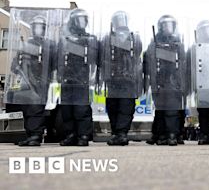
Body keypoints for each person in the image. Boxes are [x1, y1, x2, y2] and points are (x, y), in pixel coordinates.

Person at [4, 13, 55, 146]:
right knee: (26, 109)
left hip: (42, 82)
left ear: (44, 29)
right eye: (36, 27)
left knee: (36, 108)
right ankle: (30, 134)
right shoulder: (26, 44)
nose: (38, 29)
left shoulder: (50, 45)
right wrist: (17, 68)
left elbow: (55, 64)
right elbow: (15, 63)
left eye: (40, 27)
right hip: (26, 82)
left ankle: (36, 136)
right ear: (32, 28)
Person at [99, 11, 142, 146]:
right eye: (118, 19)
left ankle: (122, 134)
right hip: (112, 80)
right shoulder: (107, 38)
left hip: (128, 80)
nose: (121, 21)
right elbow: (102, 57)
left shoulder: (134, 38)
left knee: (125, 107)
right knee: (113, 107)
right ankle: (116, 133)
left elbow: (137, 55)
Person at [144, 15, 188, 146]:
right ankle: (160, 134)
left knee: (172, 110)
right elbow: (148, 62)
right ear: (160, 27)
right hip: (159, 81)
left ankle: (173, 134)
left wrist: (181, 83)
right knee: (160, 110)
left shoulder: (178, 44)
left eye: (170, 24)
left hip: (173, 81)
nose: (167, 27)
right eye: (164, 24)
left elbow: (183, 64)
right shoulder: (153, 44)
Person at [57, 8, 98, 146]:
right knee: (67, 111)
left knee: (82, 110)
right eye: (79, 19)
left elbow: (94, 60)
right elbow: (58, 59)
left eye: (84, 20)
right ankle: (71, 135)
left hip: (82, 80)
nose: (83, 22)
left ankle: (83, 136)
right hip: (67, 80)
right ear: (73, 21)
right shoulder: (64, 39)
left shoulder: (91, 39)